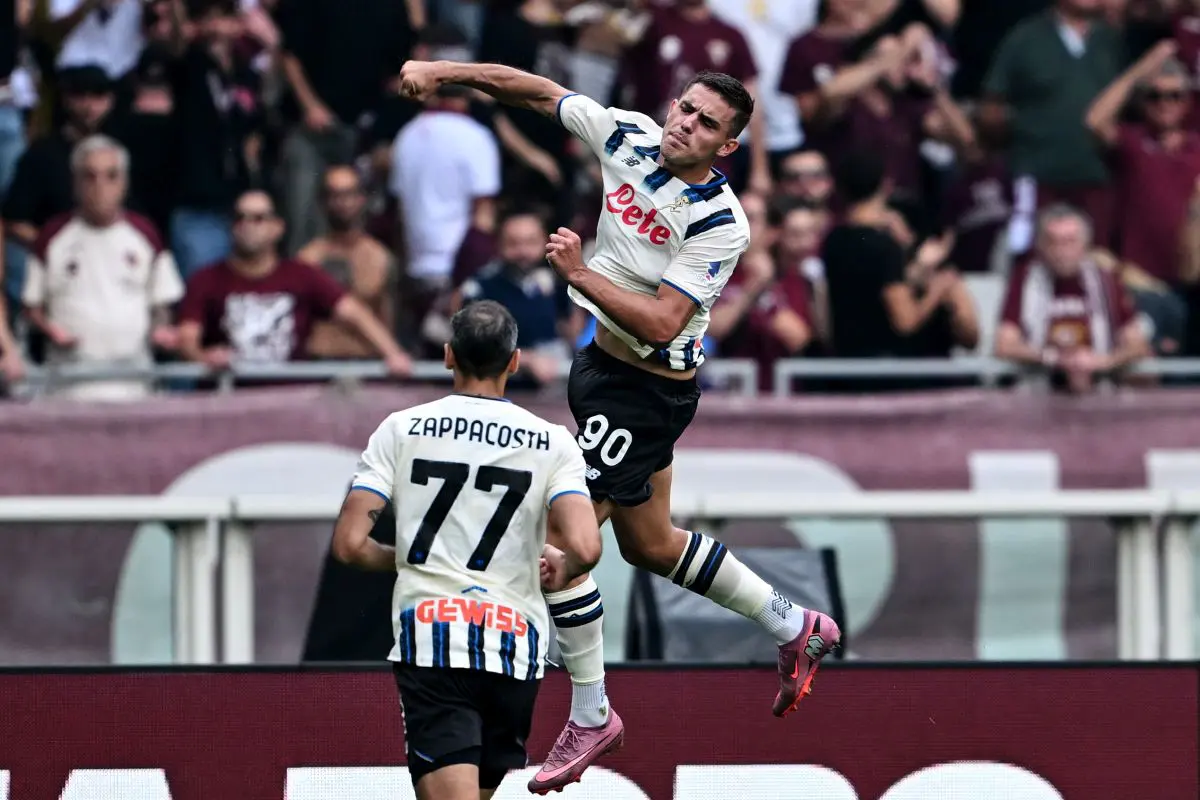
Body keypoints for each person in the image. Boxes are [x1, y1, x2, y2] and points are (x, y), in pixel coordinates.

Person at [398, 59, 842, 794]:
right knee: (651, 544)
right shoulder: (628, 137)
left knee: (560, 548)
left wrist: (581, 274)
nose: (685, 124)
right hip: (601, 369)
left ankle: (592, 712)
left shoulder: (720, 222)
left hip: (645, 393)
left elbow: (665, 321)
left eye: (706, 123)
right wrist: (444, 70)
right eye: (685, 108)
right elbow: (538, 91)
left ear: (727, 146)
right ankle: (795, 625)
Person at [330, 300, 604, 800]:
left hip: (435, 641)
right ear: (515, 361)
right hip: (513, 649)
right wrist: (563, 566)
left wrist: (405, 558)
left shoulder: (401, 429)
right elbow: (586, 547)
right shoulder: (553, 442)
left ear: (448, 355)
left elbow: (349, 545)